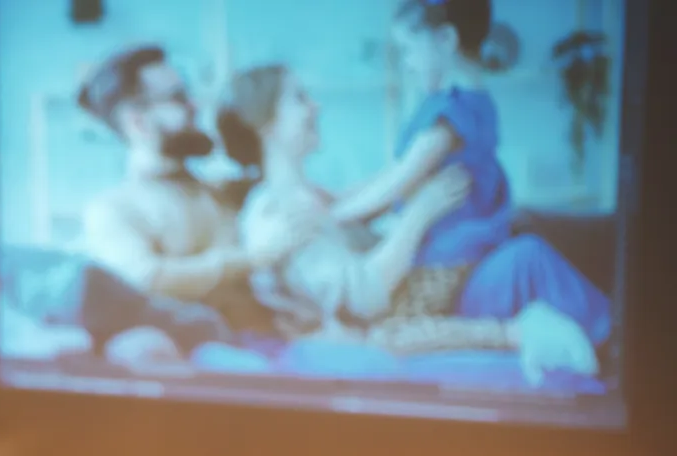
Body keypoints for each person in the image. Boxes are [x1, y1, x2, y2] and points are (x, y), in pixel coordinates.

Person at [220, 63, 600, 382]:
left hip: (416, 299)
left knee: (524, 249)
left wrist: (419, 171)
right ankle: (622, 354)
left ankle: (616, 348)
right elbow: (364, 297)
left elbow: (375, 192)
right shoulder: (278, 213)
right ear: (265, 125)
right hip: (393, 324)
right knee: (527, 259)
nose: (315, 106)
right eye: (299, 98)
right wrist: (422, 212)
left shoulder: (311, 195)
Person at [330, 0, 610, 361]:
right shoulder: (460, 104)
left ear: (445, 39)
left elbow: (398, 181)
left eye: (409, 50)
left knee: (384, 328)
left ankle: (601, 337)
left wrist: (334, 216)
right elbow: (390, 172)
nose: (407, 64)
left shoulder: (453, 113)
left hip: (445, 262)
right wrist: (337, 199)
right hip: (456, 252)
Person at [76, 45, 309, 330]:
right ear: (138, 122)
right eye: (178, 98)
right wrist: (251, 258)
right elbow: (146, 277)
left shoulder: (221, 191)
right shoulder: (112, 209)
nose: (195, 106)